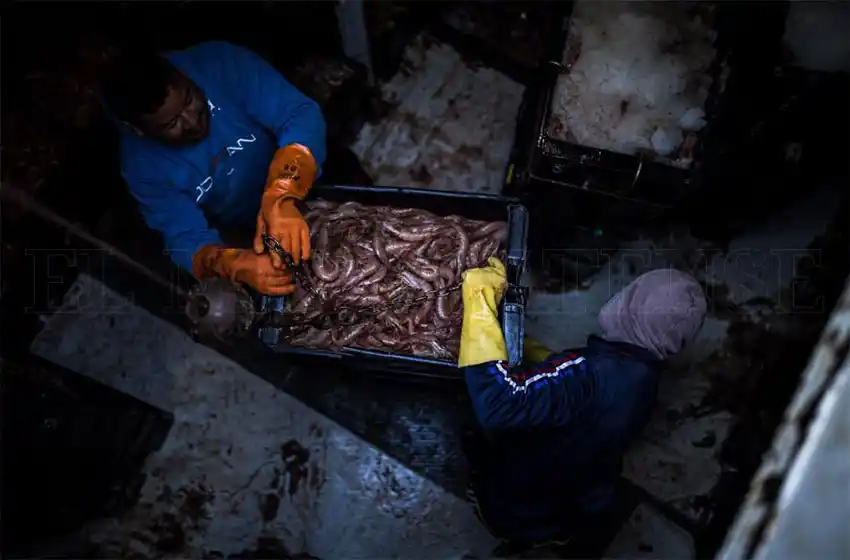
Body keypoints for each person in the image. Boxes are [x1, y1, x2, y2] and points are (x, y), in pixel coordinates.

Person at [457, 258, 707, 555]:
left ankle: (511, 536)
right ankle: (543, 540)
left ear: (629, 304)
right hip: (571, 501)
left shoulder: (587, 374)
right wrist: (550, 364)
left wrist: (479, 303)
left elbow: (497, 403)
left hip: (518, 493)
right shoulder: (644, 375)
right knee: (551, 525)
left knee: (501, 504)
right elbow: (597, 397)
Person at [100, 41, 327, 296]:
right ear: (139, 130)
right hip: (250, 230)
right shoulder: (141, 167)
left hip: (317, 177)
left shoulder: (220, 63)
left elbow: (298, 115)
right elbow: (184, 238)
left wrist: (282, 194)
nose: (191, 121)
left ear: (180, 73)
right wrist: (235, 264)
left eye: (189, 99)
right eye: (171, 123)